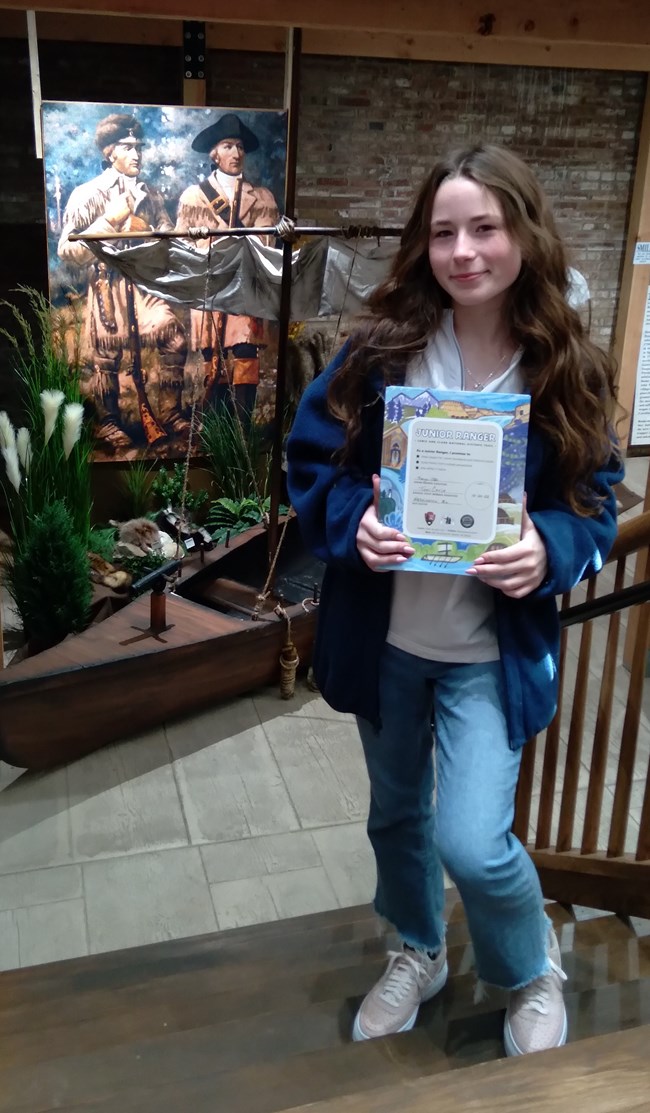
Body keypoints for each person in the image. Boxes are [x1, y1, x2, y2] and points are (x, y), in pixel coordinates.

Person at [287, 144, 622, 1057]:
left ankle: (528, 965)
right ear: (421, 244)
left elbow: (596, 499)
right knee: (395, 814)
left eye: (485, 227)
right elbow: (311, 460)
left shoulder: (564, 367)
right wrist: (353, 520)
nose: (464, 250)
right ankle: (417, 948)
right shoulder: (380, 351)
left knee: (474, 840)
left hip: (488, 653)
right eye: (443, 232)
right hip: (387, 641)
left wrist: (549, 547)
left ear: (524, 235)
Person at [58, 113, 189, 451]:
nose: (137, 155)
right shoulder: (88, 194)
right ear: (110, 152)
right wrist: (109, 221)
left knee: (172, 333)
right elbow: (67, 249)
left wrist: (164, 236)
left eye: (139, 147)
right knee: (107, 356)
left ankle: (170, 413)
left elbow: (169, 237)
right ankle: (109, 422)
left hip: (144, 285)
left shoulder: (151, 194)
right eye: (128, 148)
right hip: (107, 285)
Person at [176, 112, 280, 420]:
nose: (235, 153)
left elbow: (265, 246)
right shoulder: (195, 197)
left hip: (245, 290)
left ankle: (244, 431)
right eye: (227, 146)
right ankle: (218, 434)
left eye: (239, 147)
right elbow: (185, 248)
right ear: (214, 153)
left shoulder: (262, 198)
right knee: (214, 362)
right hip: (210, 289)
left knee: (246, 357)